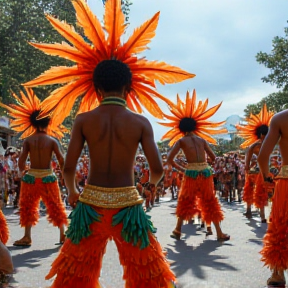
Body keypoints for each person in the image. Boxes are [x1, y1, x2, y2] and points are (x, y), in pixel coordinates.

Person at [45, 60, 176, 288]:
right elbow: (157, 169)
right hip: (129, 211)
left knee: (75, 274)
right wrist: (148, 188)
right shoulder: (140, 122)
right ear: (128, 88)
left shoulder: (83, 120)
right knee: (149, 275)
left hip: (89, 210)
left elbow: (68, 168)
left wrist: (73, 192)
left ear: (96, 90)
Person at [0, 87, 68, 247]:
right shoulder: (52, 141)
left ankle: (27, 236)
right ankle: (62, 234)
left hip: (31, 178)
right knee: (55, 205)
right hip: (48, 177)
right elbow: (61, 160)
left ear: (32, 122)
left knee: (28, 207)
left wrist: (23, 172)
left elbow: (21, 161)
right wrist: (64, 175)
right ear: (48, 122)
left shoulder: (28, 141)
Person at [159, 89, 229, 241]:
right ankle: (219, 233)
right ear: (195, 127)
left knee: (186, 200)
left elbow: (170, 159)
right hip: (205, 172)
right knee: (209, 200)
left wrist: (183, 169)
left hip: (190, 173)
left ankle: (178, 229)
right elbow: (213, 157)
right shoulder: (201, 140)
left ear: (181, 129)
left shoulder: (181, 141)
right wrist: (206, 166)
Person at [258, 109, 288, 286]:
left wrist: (266, 176)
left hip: (286, 181)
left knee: (281, 224)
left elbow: (263, 157)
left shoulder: (280, 119)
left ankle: (278, 273)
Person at [236, 104, 274, 222]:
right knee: (262, 192)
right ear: (263, 134)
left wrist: (247, 168)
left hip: (255, 172)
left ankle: (249, 211)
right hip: (263, 172)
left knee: (251, 190)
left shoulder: (254, 145)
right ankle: (262, 216)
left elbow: (247, 158)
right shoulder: (266, 144)